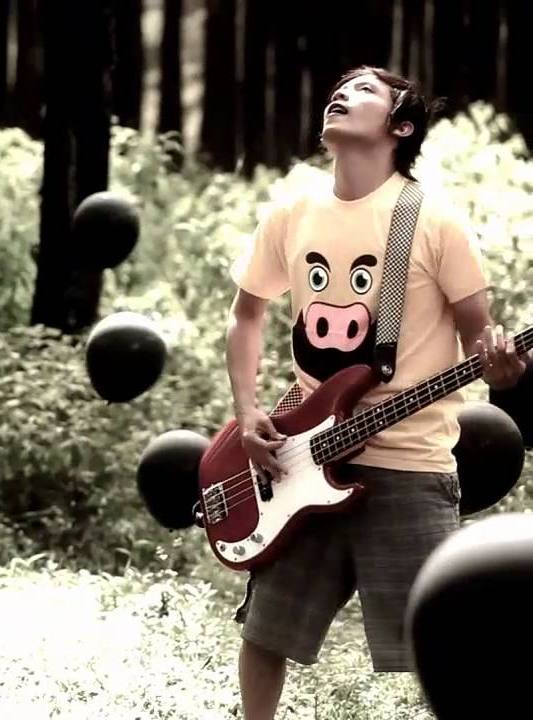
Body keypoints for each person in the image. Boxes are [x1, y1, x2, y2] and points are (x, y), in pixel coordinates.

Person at [225, 65, 530, 720]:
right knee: (265, 634)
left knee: (447, 642)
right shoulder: (293, 214)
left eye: (364, 89)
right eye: (339, 85)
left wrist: (502, 369)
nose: (341, 92)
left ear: (402, 126)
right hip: (303, 462)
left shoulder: (435, 220)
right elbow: (246, 314)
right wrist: (249, 414)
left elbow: (482, 344)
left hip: (411, 467)